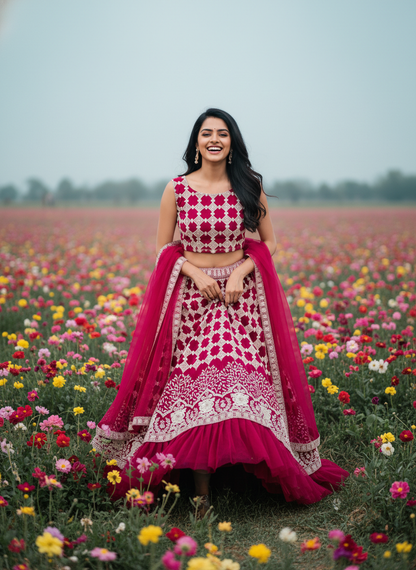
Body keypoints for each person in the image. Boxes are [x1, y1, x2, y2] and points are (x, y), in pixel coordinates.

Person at [92, 108, 349, 513]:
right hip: (192, 297)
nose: (215, 139)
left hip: (238, 298)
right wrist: (194, 272)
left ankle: (235, 473)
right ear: (196, 142)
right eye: (207, 133)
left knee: (236, 373)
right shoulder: (176, 189)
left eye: (223, 134)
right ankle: (201, 498)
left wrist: (240, 272)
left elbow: (270, 242)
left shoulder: (249, 185)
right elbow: (163, 248)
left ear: (232, 143)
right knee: (192, 386)